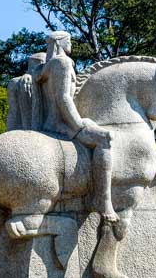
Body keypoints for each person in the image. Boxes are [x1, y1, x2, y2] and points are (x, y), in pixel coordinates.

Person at [36, 31, 117, 221]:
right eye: (69, 41)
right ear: (60, 43)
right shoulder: (63, 63)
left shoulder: (47, 66)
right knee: (104, 139)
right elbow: (63, 98)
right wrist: (78, 125)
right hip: (62, 123)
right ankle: (102, 200)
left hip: (57, 120)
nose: (71, 43)